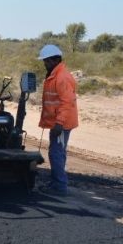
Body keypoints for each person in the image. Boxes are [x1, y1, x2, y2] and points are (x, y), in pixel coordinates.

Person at [37, 44, 79, 196]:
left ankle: (59, 187)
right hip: (58, 122)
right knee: (58, 152)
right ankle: (57, 183)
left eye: (46, 61)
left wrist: (59, 123)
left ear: (55, 60)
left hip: (62, 123)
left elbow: (67, 102)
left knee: (55, 153)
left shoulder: (62, 77)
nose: (45, 64)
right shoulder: (55, 74)